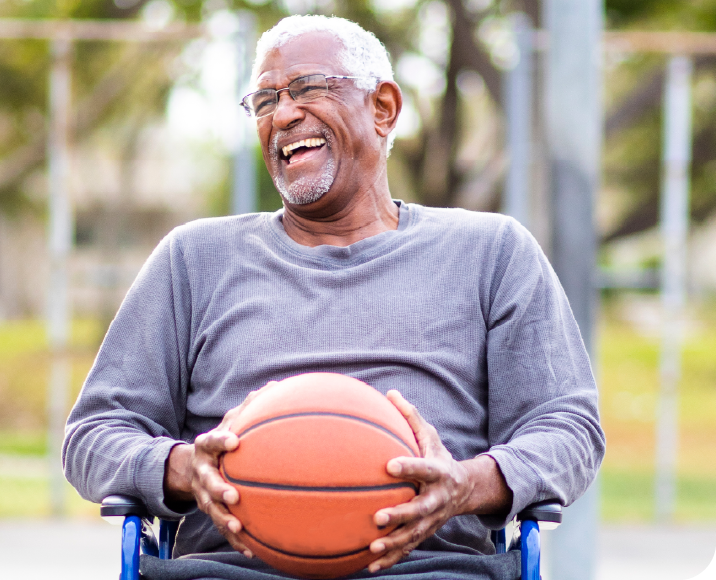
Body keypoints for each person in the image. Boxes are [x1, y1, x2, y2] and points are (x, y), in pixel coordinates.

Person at [63, 14, 604, 580]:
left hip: (429, 570)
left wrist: (468, 485)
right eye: (265, 99)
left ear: (384, 108)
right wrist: (180, 467)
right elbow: (93, 435)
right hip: (232, 571)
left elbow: (568, 428)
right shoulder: (193, 259)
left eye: (307, 87)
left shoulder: (491, 253)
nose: (284, 113)